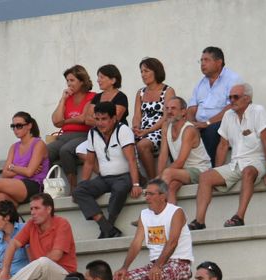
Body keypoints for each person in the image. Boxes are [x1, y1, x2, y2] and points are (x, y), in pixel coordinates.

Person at [186, 83, 266, 231]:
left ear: (247, 98)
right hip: (235, 164)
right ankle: (199, 221)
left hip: (256, 162)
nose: (232, 100)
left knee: (248, 171)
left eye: (236, 97)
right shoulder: (228, 115)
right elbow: (223, 145)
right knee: (206, 177)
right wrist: (217, 171)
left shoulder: (258, 111)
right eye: (230, 98)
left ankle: (239, 217)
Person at [115, 178, 193, 280]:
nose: (147, 197)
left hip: (179, 262)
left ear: (163, 196)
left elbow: (172, 242)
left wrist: (158, 266)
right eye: (146, 194)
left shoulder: (176, 212)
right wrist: (124, 267)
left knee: (156, 275)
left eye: (151, 194)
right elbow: (136, 243)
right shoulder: (144, 214)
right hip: (155, 264)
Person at [73, 101, 141, 239]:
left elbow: (131, 160)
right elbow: (89, 162)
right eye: (97, 119)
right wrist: (84, 183)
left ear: (114, 118)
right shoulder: (93, 133)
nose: (100, 123)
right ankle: (107, 227)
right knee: (78, 191)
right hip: (104, 179)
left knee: (119, 189)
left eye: (104, 119)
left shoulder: (123, 130)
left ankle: (108, 227)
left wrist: (136, 184)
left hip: (124, 176)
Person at [0, 193, 77, 280]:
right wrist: (5, 270)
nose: (32, 212)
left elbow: (56, 255)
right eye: (31, 209)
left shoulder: (62, 223)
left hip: (63, 279)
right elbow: (13, 244)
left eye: (36, 208)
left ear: (48, 209)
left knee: (43, 262)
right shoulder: (31, 224)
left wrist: (37, 265)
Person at [187, 46, 243, 164]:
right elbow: (192, 108)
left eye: (206, 60)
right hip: (201, 124)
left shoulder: (232, 79)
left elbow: (231, 107)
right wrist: (192, 124)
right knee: (180, 130)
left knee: (211, 130)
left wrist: (207, 123)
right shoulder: (200, 83)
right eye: (201, 60)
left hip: (223, 122)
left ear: (219, 62)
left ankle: (210, 168)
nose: (202, 64)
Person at [48, 65, 96, 192]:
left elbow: (83, 118)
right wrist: (63, 100)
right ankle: (49, 187)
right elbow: (55, 120)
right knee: (45, 152)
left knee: (66, 150)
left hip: (83, 135)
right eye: (67, 80)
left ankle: (73, 187)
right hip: (64, 136)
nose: (69, 83)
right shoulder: (67, 98)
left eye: (72, 80)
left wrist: (64, 121)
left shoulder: (91, 96)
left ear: (82, 81)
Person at [157, 97, 211, 205]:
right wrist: (159, 175)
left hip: (200, 170)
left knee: (168, 173)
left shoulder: (189, 130)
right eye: (167, 108)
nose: (169, 111)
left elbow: (180, 162)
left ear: (183, 112)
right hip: (182, 171)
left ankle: (156, 209)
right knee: (171, 187)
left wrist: (159, 178)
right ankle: (171, 214)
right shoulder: (165, 126)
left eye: (173, 108)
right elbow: (163, 155)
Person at [0, 112, 49, 206]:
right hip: (16, 185)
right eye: (13, 126)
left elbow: (29, 173)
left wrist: (12, 167)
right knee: (0, 197)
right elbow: (4, 173)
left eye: (19, 126)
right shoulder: (14, 147)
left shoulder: (38, 144)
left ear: (29, 126)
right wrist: (24, 168)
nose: (15, 129)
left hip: (34, 184)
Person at [131, 57, 175, 181]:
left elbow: (166, 117)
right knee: (123, 144)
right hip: (142, 130)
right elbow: (137, 115)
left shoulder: (168, 91)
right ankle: (138, 179)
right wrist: (136, 127)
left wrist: (148, 131)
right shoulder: (140, 92)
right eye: (141, 71)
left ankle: (153, 180)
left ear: (156, 71)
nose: (143, 74)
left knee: (142, 145)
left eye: (146, 71)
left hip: (160, 130)